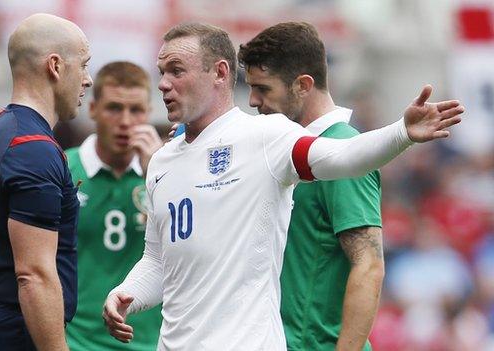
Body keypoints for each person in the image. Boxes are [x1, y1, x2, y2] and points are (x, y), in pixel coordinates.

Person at [102, 22, 464, 350]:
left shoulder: (265, 137)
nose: (163, 83)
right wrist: (127, 293)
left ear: (219, 73)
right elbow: (158, 260)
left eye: (176, 71)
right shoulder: (162, 162)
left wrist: (402, 132)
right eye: (162, 71)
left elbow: (343, 156)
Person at [0, 13, 92, 351]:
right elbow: (34, 275)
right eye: (84, 65)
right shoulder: (33, 149)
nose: (87, 79)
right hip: (13, 334)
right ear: (55, 66)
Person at [237, 22, 382, 350]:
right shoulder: (279, 150)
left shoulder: (342, 150)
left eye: (263, 89)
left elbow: (369, 263)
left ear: (303, 85)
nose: (253, 101)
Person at [64, 61, 163, 350]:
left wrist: (158, 176)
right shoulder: (63, 169)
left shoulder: (168, 173)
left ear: (149, 112)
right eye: (114, 108)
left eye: (136, 110)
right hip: (77, 342)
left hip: (148, 342)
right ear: (93, 109)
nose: (125, 121)